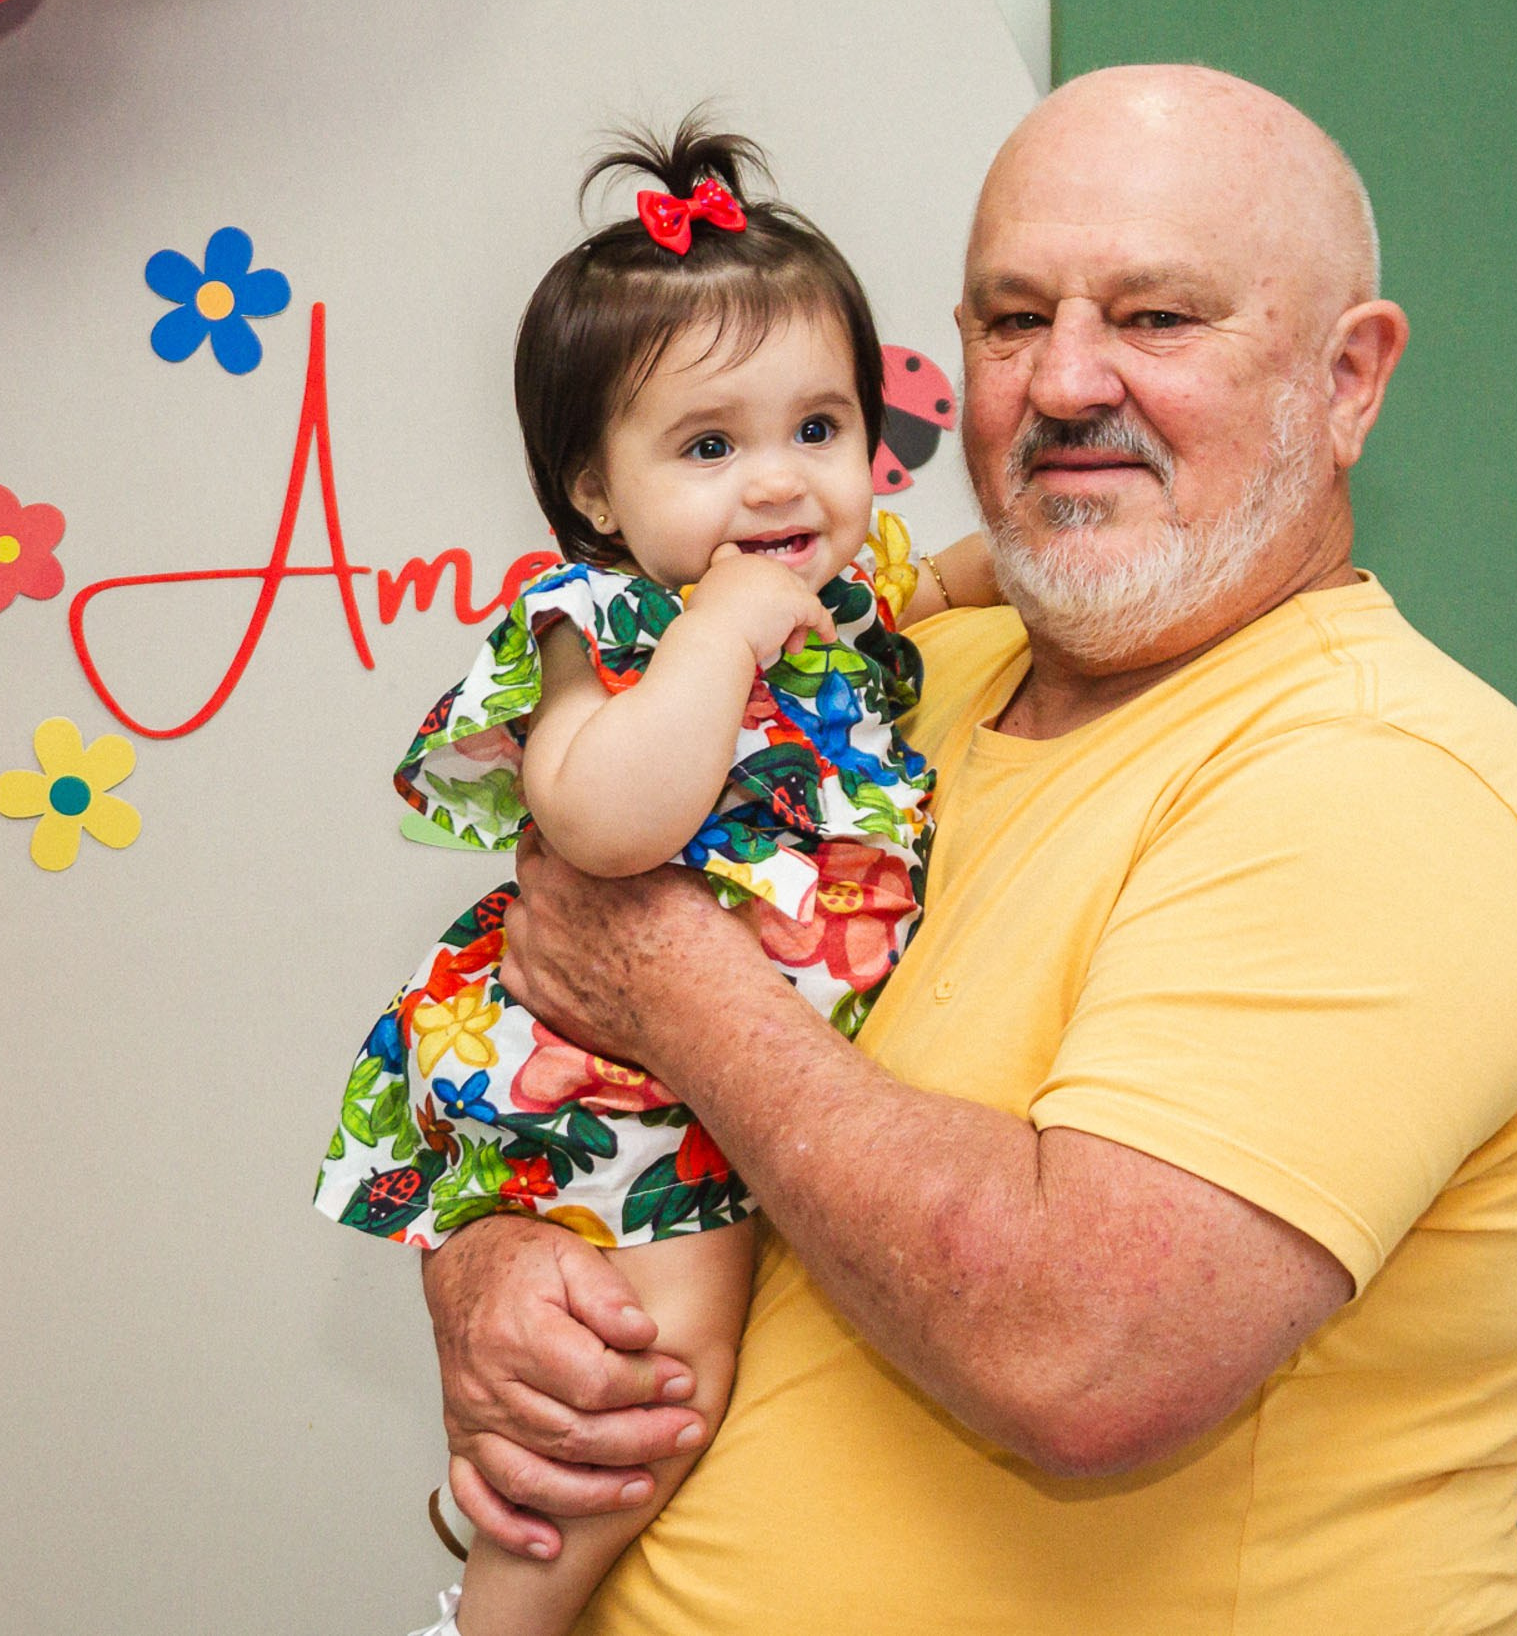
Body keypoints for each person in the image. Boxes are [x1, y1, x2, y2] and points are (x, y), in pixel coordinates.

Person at [418, 65, 1517, 1635]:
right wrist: (499, 1273)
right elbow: (623, 1091)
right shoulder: (880, 702)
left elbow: (1083, 1349)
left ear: (1348, 379)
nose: (1064, 382)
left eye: (1157, 318)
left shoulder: (1377, 781)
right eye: (1009, 319)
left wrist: (673, 977)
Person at [310, 118, 1000, 1636]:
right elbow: (601, 816)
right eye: (710, 445)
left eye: (820, 429)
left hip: (726, 1074)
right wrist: (722, 639)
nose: (780, 483)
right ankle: (490, 1622)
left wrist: (1003, 560)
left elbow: (929, 582)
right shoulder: (602, 625)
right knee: (646, 1395)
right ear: (598, 490)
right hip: (613, 1081)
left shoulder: (836, 583)